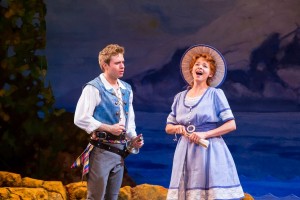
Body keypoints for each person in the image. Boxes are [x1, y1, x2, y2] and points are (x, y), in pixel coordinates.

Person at [165, 44, 244, 200]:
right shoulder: (180, 97)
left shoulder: (215, 94)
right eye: (197, 64)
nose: (199, 67)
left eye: (205, 66)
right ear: (192, 70)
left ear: (210, 73)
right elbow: (168, 127)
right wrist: (178, 128)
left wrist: (205, 134)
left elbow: (231, 124)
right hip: (185, 151)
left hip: (209, 150)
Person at [72, 44, 144, 200]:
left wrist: (133, 139)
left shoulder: (126, 89)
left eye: (123, 62)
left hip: (119, 152)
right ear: (105, 65)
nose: (122, 66)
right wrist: (108, 128)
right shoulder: (94, 88)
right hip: (101, 151)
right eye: (117, 63)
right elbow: (80, 117)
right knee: (96, 197)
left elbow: (129, 120)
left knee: (113, 197)